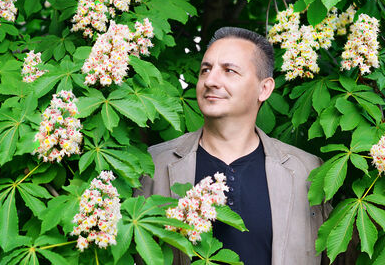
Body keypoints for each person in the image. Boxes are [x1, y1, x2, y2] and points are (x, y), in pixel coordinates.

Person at [137, 27, 331, 265]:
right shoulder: (153, 164)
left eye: (229, 71)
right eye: (205, 70)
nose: (210, 80)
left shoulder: (308, 171)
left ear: (264, 89)